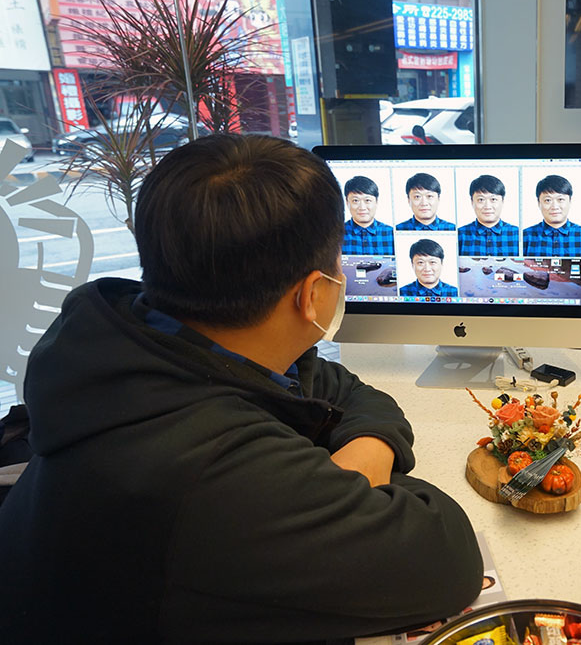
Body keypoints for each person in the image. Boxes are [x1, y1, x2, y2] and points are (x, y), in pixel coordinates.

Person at [0, 135, 483, 642]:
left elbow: (344, 391)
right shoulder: (215, 475)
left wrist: (365, 452)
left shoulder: (135, 341)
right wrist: (340, 489)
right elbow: (446, 558)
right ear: (312, 293)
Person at [522, 174, 581, 257]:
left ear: (570, 202)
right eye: (548, 200)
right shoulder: (525, 236)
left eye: (560, 199)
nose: (554, 207)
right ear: (539, 203)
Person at [457, 175, 519, 256]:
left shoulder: (518, 235)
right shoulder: (459, 235)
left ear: (502, 201)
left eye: (493, 199)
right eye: (481, 200)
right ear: (472, 202)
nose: (487, 206)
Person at [343, 175, 395, 256]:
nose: (362, 207)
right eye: (355, 200)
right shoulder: (336, 234)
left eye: (367, 200)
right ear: (347, 203)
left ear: (376, 202)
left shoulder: (392, 234)